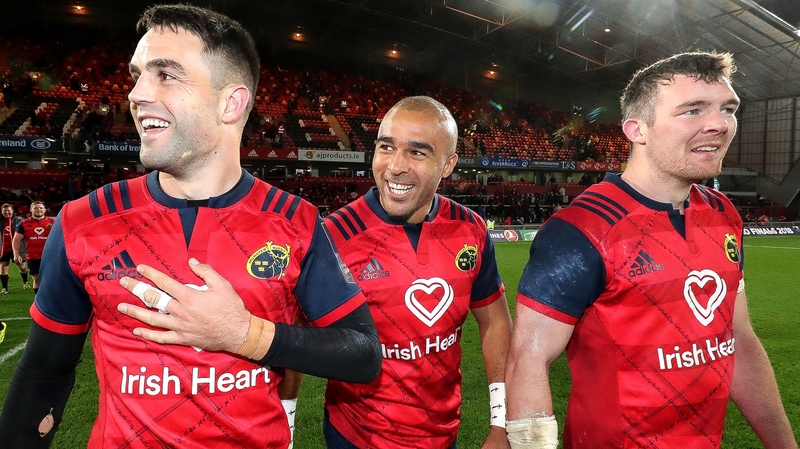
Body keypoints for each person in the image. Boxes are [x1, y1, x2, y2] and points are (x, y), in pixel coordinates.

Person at [0, 5, 380, 448]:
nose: (137, 94)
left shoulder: (294, 221)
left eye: (166, 75)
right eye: (137, 74)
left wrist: (243, 334)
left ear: (230, 103)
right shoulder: (84, 220)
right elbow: (45, 372)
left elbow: (363, 354)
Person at [505, 52, 797, 448]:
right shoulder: (581, 229)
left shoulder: (723, 214)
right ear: (637, 129)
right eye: (692, 110)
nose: (719, 124)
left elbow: (738, 340)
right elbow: (528, 360)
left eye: (728, 109)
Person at [323, 96, 513, 448]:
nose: (395, 166)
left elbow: (495, 322)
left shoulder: (470, 230)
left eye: (417, 152)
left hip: (442, 433)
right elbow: (293, 337)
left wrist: (501, 423)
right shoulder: (334, 236)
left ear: (448, 164)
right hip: (357, 436)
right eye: (386, 147)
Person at [11, 201, 52, 294]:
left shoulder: (52, 222)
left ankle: (50, 302)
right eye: (36, 208)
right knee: (36, 279)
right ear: (31, 210)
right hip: (33, 256)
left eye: (41, 208)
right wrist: (16, 254)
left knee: (51, 279)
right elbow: (16, 239)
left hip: (50, 256)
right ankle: (38, 302)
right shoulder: (24, 223)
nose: (39, 210)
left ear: (45, 210)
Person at [0, 203, 30, 293]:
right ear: (1, 212)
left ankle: (25, 281)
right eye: (5, 211)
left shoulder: (20, 221)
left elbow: (26, 235)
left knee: (22, 266)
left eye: (9, 210)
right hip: (3, 249)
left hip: (17, 248)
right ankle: (5, 288)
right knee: (2, 267)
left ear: (13, 211)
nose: (7, 212)